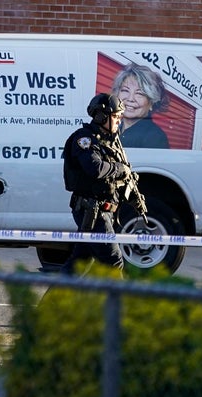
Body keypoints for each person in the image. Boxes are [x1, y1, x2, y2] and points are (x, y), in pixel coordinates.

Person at [61, 93, 139, 274]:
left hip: (103, 210)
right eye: (115, 116)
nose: (119, 120)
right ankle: (117, 303)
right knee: (114, 261)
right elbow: (95, 168)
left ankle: (51, 303)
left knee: (79, 265)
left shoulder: (111, 141)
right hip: (92, 211)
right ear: (101, 116)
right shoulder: (84, 138)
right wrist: (121, 169)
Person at [112, 63, 170, 149]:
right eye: (125, 90)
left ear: (151, 102)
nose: (130, 99)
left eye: (139, 93)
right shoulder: (114, 129)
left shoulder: (155, 138)